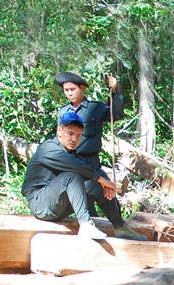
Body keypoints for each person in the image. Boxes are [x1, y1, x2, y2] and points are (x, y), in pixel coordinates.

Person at [54, 70, 143, 240]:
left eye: (72, 89)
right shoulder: (63, 111)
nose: (69, 93)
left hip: (90, 160)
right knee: (81, 195)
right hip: (71, 161)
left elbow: (116, 114)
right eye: (66, 90)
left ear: (81, 88)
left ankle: (120, 226)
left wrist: (115, 91)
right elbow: (60, 136)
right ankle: (88, 227)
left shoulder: (94, 108)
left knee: (106, 189)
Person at [22, 110, 120, 240]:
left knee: (95, 184)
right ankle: (85, 225)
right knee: (71, 176)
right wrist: (103, 180)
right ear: (59, 131)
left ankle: (120, 226)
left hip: (59, 206)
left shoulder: (70, 152)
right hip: (40, 205)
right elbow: (77, 166)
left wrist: (106, 182)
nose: (74, 139)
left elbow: (92, 168)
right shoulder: (48, 148)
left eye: (79, 135)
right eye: (70, 133)